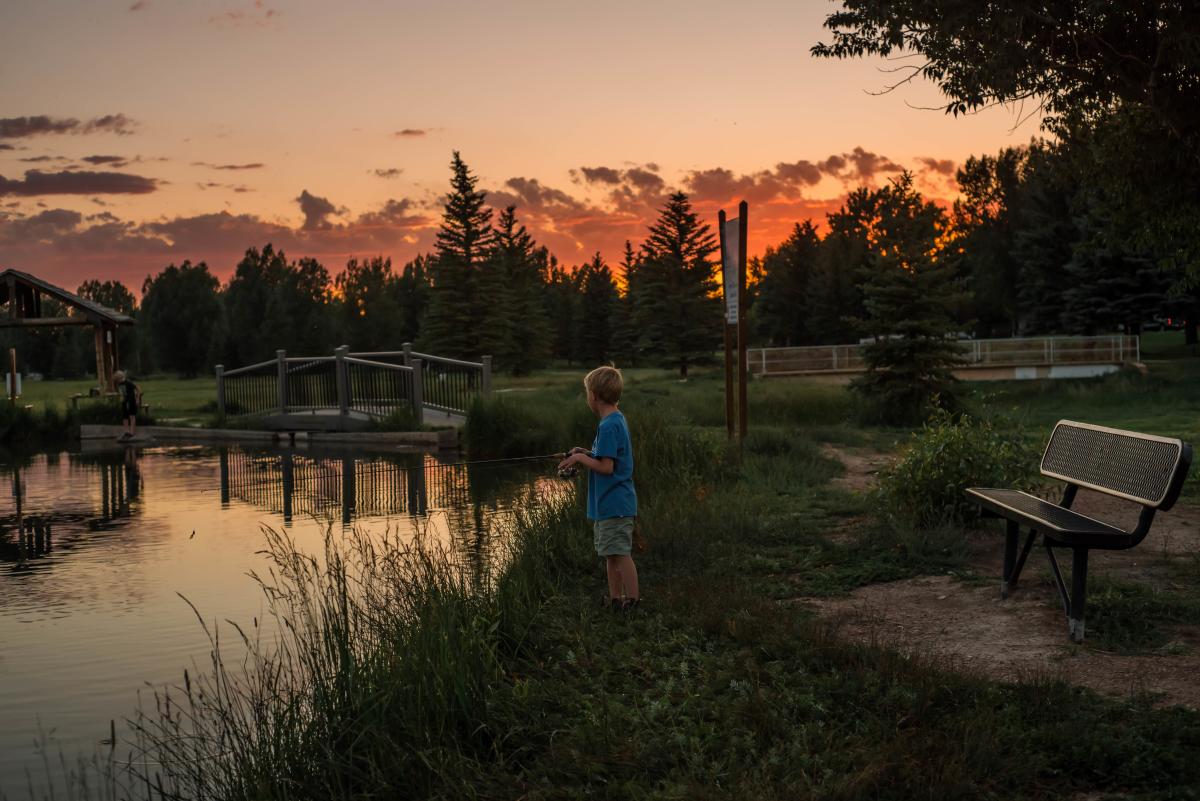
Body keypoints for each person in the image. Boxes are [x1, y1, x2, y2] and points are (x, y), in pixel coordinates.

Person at [557, 365, 639, 612]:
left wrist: (581, 460)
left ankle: (633, 601)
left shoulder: (608, 426)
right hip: (608, 503)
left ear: (593, 396)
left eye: (587, 394)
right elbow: (605, 456)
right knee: (610, 554)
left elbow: (606, 467)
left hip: (615, 503)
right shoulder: (616, 419)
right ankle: (616, 600)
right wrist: (584, 452)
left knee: (621, 554)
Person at [114, 370, 141, 441]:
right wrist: (121, 398)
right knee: (125, 417)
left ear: (120, 378)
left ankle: (132, 432)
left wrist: (137, 399)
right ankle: (126, 431)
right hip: (124, 401)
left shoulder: (128, 382)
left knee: (132, 416)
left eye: (117, 379)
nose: (117, 381)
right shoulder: (119, 384)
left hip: (131, 401)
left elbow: (138, 388)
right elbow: (121, 392)